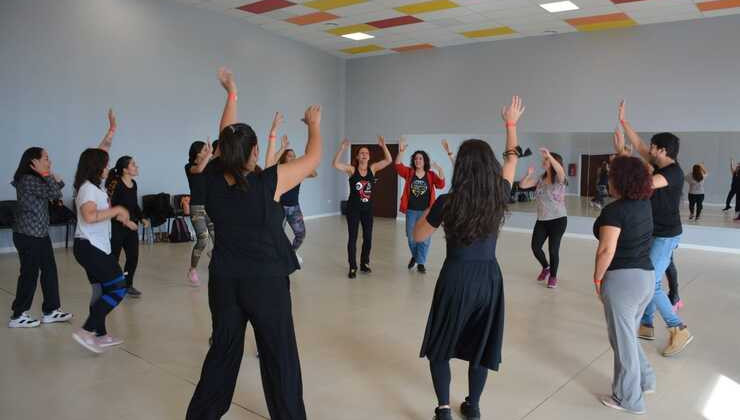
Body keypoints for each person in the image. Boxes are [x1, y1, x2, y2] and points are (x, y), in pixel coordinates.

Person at [186, 68, 321, 420]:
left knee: (223, 353)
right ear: (253, 152)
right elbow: (312, 160)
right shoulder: (268, 182)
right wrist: (313, 125)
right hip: (266, 283)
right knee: (279, 356)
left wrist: (232, 93)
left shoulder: (212, 177)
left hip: (226, 281)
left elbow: (225, 134)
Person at [413, 96, 524, 420]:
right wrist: (511, 125)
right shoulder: (498, 195)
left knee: (440, 345)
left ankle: (444, 410)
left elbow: (419, 236)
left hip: (456, 277)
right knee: (481, 344)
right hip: (489, 278)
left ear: (459, 167)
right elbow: (512, 161)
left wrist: (428, 214)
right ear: (489, 166)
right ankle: (473, 406)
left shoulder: (448, 201)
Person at [617, 100, 693, 357]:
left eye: (652, 147)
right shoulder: (661, 163)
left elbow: (645, 183)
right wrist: (625, 121)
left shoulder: (672, 173)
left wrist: (623, 159)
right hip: (655, 232)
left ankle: (678, 328)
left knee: (651, 282)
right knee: (650, 279)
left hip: (666, 235)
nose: (647, 150)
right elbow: (638, 144)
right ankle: (647, 325)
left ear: (662, 150)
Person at [592, 153, 656, 415]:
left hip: (623, 282)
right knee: (627, 336)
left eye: (611, 175)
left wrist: (597, 278)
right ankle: (646, 379)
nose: (608, 179)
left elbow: (606, 250)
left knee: (622, 341)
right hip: (646, 279)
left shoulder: (614, 211)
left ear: (620, 180)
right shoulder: (644, 204)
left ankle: (629, 399)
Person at [71, 109, 138, 353]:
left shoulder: (91, 184)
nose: (109, 166)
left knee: (101, 289)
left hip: (92, 246)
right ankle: (87, 330)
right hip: (89, 247)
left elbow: (102, 151)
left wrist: (111, 131)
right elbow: (89, 217)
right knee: (118, 287)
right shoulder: (89, 189)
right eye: (106, 164)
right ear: (97, 168)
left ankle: (99, 334)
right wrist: (117, 210)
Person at [8, 148, 73, 328]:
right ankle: (18, 315)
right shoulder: (27, 179)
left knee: (49, 271)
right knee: (29, 274)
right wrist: (51, 177)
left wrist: (53, 181)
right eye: (45, 159)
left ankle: (51, 310)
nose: (49, 162)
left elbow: (51, 191)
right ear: (33, 162)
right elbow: (54, 193)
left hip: (40, 234)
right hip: (29, 235)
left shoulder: (34, 180)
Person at [332, 135, 392, 278]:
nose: (364, 155)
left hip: (368, 210)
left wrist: (383, 146)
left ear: (369, 157)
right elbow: (335, 164)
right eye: (361, 153)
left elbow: (389, 160)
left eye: (366, 153)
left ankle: (364, 264)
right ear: (358, 157)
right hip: (353, 209)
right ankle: (353, 267)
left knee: (368, 237)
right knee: (353, 238)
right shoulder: (352, 170)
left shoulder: (373, 169)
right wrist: (341, 149)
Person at [265, 116, 317, 267]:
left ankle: (291, 253)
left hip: (294, 208)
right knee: (275, 236)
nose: (293, 158)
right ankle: (275, 258)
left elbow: (313, 173)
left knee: (301, 234)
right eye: (290, 155)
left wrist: (303, 163)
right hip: (278, 208)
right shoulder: (279, 170)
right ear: (283, 158)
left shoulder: (298, 172)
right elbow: (270, 164)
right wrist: (282, 147)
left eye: (294, 156)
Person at [395, 138, 447, 273]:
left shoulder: (430, 175)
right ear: (414, 161)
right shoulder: (409, 173)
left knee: (424, 238)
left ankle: (421, 263)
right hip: (411, 210)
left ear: (425, 161)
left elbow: (441, 184)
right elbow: (397, 166)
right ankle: (416, 256)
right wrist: (401, 152)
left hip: (426, 211)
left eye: (421, 159)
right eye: (416, 158)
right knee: (411, 237)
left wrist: (439, 169)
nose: (418, 161)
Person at [518, 148, 568, 288]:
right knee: (535, 247)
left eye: (546, 160)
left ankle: (553, 276)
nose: (544, 161)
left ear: (553, 162)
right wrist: (527, 175)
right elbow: (522, 185)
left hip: (558, 219)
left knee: (553, 249)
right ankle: (546, 267)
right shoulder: (540, 179)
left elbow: (560, 171)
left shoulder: (559, 179)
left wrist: (550, 156)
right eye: (545, 159)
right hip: (542, 220)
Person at [106, 156, 147, 297]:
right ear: (125, 169)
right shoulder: (114, 183)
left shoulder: (134, 184)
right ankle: (112, 285)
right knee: (114, 258)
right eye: (133, 165)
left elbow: (134, 205)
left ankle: (128, 284)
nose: (136, 167)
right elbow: (109, 207)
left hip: (131, 228)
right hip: (117, 226)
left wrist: (142, 218)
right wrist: (125, 221)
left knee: (133, 257)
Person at [185, 139, 214, 287]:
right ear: (197, 153)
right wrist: (209, 155)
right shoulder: (190, 167)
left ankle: (214, 258)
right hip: (196, 208)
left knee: (219, 238)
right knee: (203, 239)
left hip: (210, 207)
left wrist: (212, 154)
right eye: (204, 150)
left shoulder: (209, 166)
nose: (207, 152)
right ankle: (192, 269)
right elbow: (199, 169)